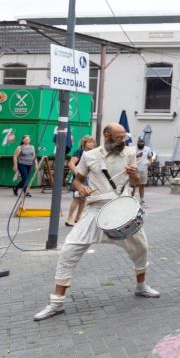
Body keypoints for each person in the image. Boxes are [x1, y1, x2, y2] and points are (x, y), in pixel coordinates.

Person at [33, 123, 160, 321]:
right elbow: (77, 180)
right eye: (119, 138)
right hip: (96, 209)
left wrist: (134, 174)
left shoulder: (130, 152)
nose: (123, 141)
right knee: (69, 249)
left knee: (142, 248)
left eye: (125, 137)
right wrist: (81, 188)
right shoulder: (90, 156)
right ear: (106, 135)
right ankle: (56, 302)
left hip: (122, 208)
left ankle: (141, 286)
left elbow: (134, 183)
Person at [65, 136, 96, 227]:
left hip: (89, 178)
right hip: (80, 179)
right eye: (89, 142)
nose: (91, 144)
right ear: (84, 143)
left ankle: (78, 218)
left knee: (84, 198)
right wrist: (78, 174)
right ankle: (69, 218)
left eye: (92, 142)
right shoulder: (79, 151)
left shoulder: (93, 153)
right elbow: (71, 164)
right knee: (77, 198)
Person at [131, 137, 153, 206]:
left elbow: (150, 157)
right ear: (137, 142)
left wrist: (149, 162)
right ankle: (131, 199)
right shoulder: (133, 149)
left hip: (144, 169)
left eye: (142, 142)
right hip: (135, 169)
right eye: (140, 142)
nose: (141, 143)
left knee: (142, 185)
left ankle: (142, 199)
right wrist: (137, 156)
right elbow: (130, 158)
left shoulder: (147, 149)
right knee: (133, 185)